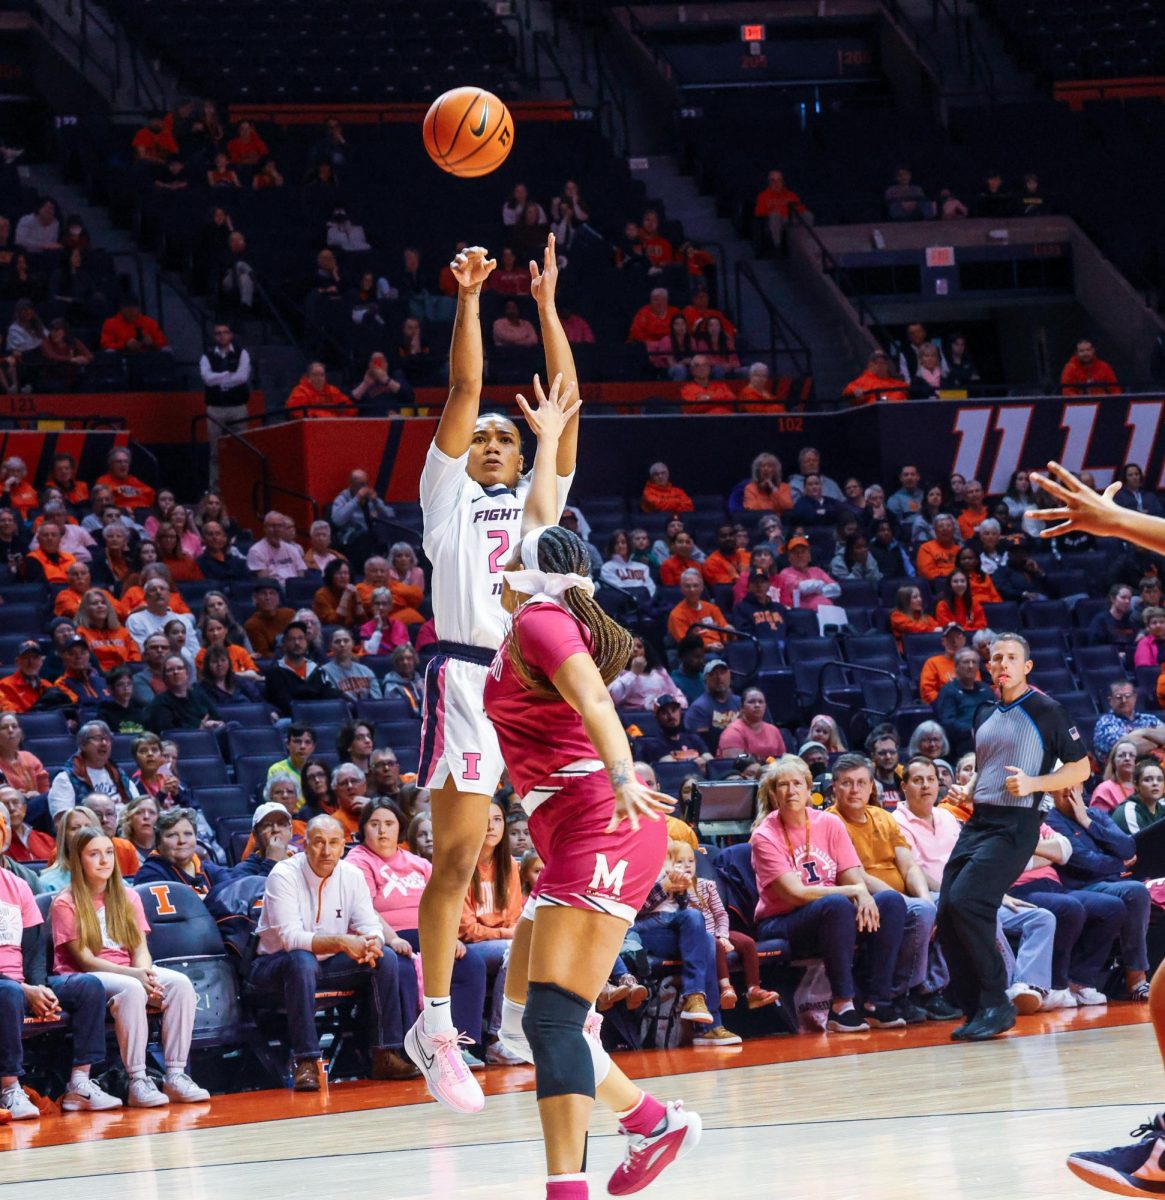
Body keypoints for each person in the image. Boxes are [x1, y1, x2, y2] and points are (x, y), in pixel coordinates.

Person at [406, 240, 585, 1116]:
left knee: (565, 852)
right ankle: (435, 1025)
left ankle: (527, 1011)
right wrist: (471, 297)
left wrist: (546, 305)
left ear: (523, 460)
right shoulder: (444, 495)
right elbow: (466, 390)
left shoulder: (539, 500)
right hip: (466, 679)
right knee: (456, 855)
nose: (487, 440)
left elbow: (564, 402)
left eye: (503, 440)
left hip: (533, 684)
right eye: (478, 440)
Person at [482, 511, 704, 1199]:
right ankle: (650, 1120)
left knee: (550, 1021)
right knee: (523, 1020)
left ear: (524, 576)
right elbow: (544, 511)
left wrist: (619, 774)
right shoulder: (541, 617)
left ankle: (564, 1191)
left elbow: (594, 700)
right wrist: (551, 439)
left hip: (599, 822)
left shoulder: (539, 620)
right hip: (575, 830)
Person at [936, 633, 1090, 1041]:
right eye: (996, 658)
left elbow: (1081, 768)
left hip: (1017, 823)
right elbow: (990, 764)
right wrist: (968, 790)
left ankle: (997, 1003)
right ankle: (976, 1009)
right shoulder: (983, 711)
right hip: (979, 819)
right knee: (947, 910)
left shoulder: (1047, 710)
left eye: (1011, 658)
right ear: (989, 667)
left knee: (969, 901)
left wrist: (1036, 782)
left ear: (1027, 667)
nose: (1002, 664)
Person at [248, 814, 418, 1090]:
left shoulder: (351, 875)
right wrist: (342, 942)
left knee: (384, 957)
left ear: (343, 847)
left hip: (325, 967)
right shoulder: (283, 874)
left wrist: (371, 942)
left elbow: (370, 925)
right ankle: (306, 1062)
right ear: (304, 844)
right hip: (272, 968)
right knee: (302, 961)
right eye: (318, 842)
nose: (326, 850)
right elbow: (291, 939)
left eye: (333, 843)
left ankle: (385, 1054)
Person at [51, 826, 209, 1105]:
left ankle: (175, 1075)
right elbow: (84, 960)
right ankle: (137, 1079)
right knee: (131, 989)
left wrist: (146, 972)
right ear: (78, 860)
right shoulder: (66, 902)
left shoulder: (127, 896)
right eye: (94, 854)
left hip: (129, 971)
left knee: (181, 984)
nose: (104, 860)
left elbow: (140, 948)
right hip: (87, 977)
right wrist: (136, 976)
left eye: (109, 853)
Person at [751, 755, 906, 1031]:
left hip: (831, 916)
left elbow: (851, 874)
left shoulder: (829, 823)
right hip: (781, 922)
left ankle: (877, 1003)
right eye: (783, 785)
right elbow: (795, 893)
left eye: (797, 783)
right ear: (774, 794)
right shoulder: (764, 835)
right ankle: (841, 1006)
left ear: (810, 790)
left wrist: (863, 893)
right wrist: (857, 892)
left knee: (891, 901)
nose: (791, 791)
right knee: (837, 903)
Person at [0, 805, 122, 1119]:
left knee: (88, 986)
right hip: (8, 990)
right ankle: (10, 1088)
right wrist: (25, 989)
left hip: (22, 984)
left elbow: (36, 948)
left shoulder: (18, 885)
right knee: (9, 993)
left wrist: (40, 988)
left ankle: (80, 1084)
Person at [831, 755, 959, 1022]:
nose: (855, 790)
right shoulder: (831, 821)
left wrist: (926, 899)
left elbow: (909, 866)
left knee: (947, 905)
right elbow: (857, 877)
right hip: (865, 899)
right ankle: (904, 994)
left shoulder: (883, 817)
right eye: (847, 783)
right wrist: (907, 901)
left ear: (871, 788)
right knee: (920, 911)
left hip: (902, 898)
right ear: (834, 789)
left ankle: (939, 989)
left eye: (861, 783)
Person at [935, 648, 993, 755]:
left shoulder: (986, 690)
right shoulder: (949, 691)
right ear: (956, 667)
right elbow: (947, 722)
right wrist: (972, 731)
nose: (970, 666)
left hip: (989, 738)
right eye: (966, 662)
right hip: (963, 741)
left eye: (974, 662)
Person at [1092, 678, 1165, 761]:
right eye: (1118, 697)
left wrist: (1143, 732)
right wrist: (1159, 741)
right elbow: (1126, 749)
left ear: (1135, 697)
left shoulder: (1149, 719)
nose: (1124, 701)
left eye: (1128, 696)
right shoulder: (1105, 723)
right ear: (1110, 700)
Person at [609, 636, 679, 712]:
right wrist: (633, 673)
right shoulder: (616, 672)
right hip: (633, 716)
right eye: (630, 646)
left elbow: (677, 695)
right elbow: (613, 697)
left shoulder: (659, 671)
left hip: (663, 714)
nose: (635, 649)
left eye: (639, 646)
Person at [666, 569, 728, 651]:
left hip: (720, 647)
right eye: (688, 586)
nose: (692, 590)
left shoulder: (712, 608)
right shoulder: (676, 614)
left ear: (702, 587)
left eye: (695, 586)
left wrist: (728, 633)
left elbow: (725, 631)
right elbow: (685, 644)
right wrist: (708, 647)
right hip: (697, 653)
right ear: (681, 589)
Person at [716, 687, 785, 760]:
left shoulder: (773, 730)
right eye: (751, 702)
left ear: (765, 706)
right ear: (742, 707)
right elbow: (736, 764)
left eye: (761, 702)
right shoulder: (732, 733)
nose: (757, 705)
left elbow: (783, 760)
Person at [1113, 758, 1165, 834]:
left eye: (1160, 779)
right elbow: (1140, 845)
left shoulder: (1161, 806)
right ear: (1136, 785)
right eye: (1148, 780)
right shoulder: (1128, 811)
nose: (1155, 783)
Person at [1090, 739, 1139, 814]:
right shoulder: (1104, 789)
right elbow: (1098, 821)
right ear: (1113, 762)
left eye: (1132, 755)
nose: (1127, 758)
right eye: (1121, 755)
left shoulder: (1143, 786)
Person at [1088, 584, 1137, 649]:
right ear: (1113, 599)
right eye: (1123, 597)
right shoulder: (1100, 621)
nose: (1127, 601)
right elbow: (1095, 647)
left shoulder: (1130, 621)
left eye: (1129, 599)